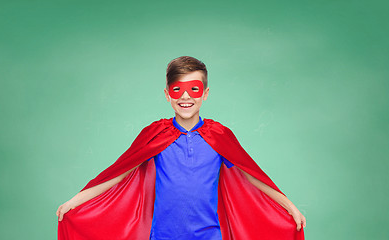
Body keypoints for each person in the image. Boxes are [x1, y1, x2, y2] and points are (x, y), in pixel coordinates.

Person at [56, 56, 306, 240]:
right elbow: (118, 172)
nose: (185, 97)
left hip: (209, 234)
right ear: (167, 94)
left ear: (205, 93)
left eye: (193, 89)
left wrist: (290, 206)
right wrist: (75, 201)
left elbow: (252, 174)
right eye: (178, 90)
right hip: (163, 234)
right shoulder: (155, 134)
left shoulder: (219, 136)